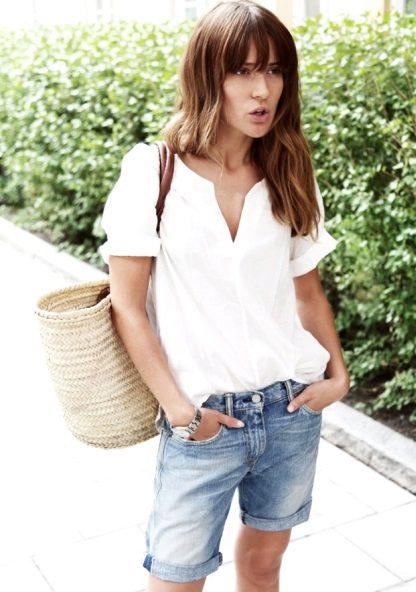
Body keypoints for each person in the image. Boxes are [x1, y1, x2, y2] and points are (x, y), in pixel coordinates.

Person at [99, 1, 349, 590]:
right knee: (176, 579)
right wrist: (182, 414)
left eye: (275, 70)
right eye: (242, 71)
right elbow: (127, 307)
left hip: (289, 410)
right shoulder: (153, 171)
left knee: (263, 566)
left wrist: (338, 377)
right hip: (202, 419)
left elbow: (307, 290)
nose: (263, 90)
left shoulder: (289, 168)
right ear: (207, 77)